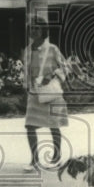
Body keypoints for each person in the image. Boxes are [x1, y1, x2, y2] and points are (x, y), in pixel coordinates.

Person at [22, 17, 69, 173]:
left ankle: (56, 156)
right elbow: (26, 73)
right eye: (32, 28)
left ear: (43, 30)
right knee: (29, 126)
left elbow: (65, 68)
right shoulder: (27, 50)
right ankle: (34, 159)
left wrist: (52, 76)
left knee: (53, 126)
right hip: (34, 93)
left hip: (50, 92)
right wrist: (26, 88)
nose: (34, 31)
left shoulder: (52, 48)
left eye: (37, 28)